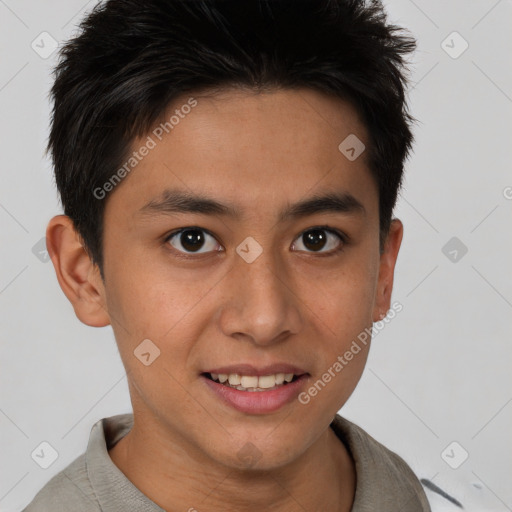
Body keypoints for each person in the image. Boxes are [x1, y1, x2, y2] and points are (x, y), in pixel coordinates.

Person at [24, 0, 435, 510]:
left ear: (382, 270)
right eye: (192, 240)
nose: (264, 319)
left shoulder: (401, 490)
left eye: (316, 239)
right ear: (84, 274)